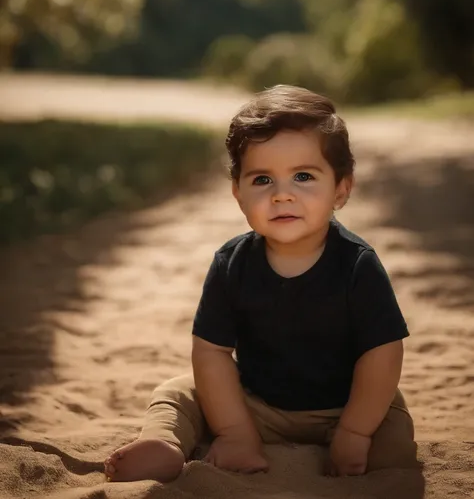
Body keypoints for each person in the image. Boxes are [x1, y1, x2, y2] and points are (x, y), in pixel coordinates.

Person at [104, 85, 417, 483]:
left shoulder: (358, 265)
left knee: (391, 428)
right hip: (255, 404)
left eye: (303, 176)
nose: (282, 195)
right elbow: (213, 351)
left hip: (349, 404)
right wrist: (235, 430)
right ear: (237, 192)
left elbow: (383, 352)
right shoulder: (231, 263)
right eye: (262, 179)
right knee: (178, 393)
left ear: (341, 188)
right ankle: (164, 445)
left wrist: (355, 431)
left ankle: (376, 466)